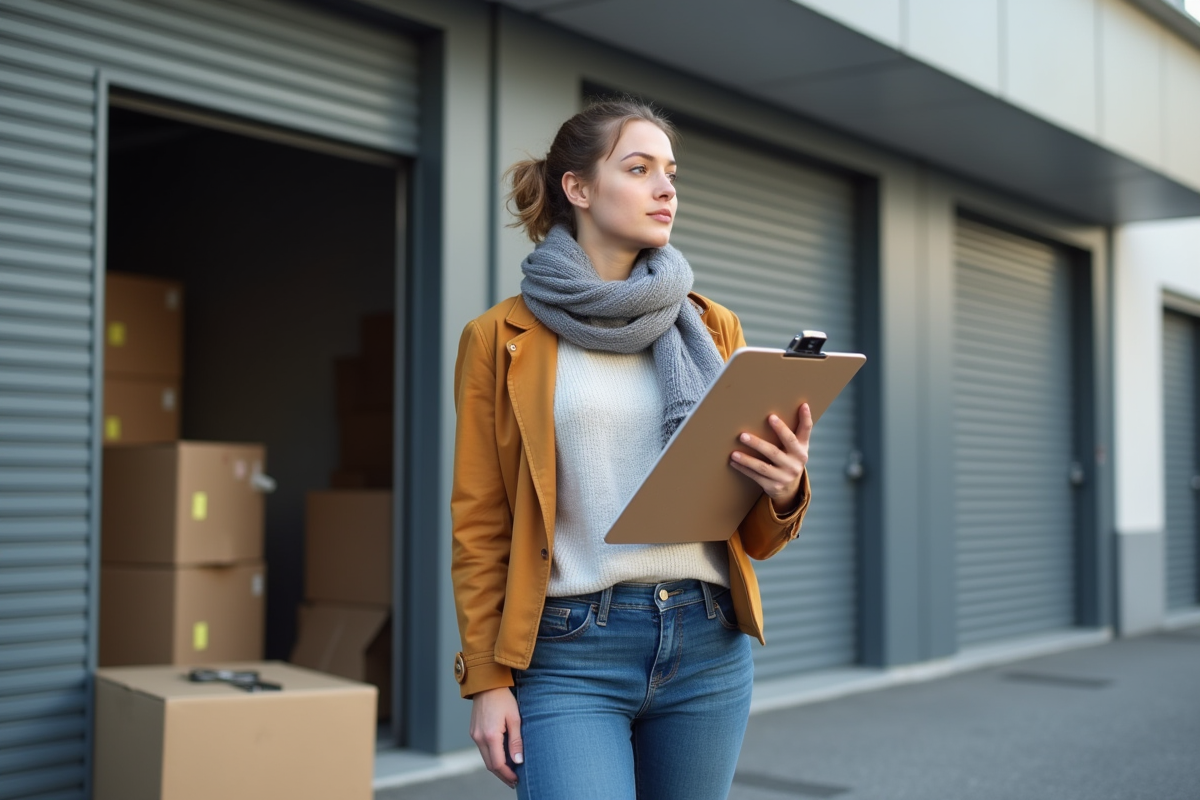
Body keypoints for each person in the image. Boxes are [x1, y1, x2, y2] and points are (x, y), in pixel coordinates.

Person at [450, 99, 813, 800]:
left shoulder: (713, 325)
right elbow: (480, 520)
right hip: (568, 649)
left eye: (670, 171)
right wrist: (487, 680)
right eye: (639, 168)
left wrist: (787, 485)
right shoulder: (500, 338)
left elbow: (754, 535)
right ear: (577, 189)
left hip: (709, 641)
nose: (666, 187)